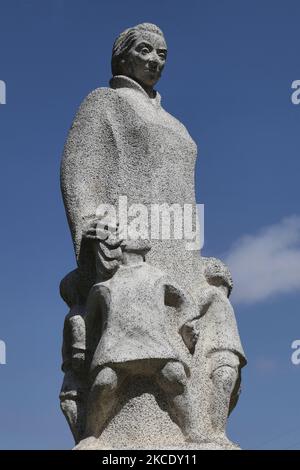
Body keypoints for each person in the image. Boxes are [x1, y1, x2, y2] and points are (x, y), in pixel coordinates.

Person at [83, 237, 200, 442]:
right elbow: (87, 322)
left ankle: (192, 432)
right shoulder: (104, 285)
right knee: (104, 383)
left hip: (156, 343)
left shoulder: (158, 276)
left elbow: (186, 302)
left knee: (175, 377)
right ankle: (91, 435)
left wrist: (186, 326)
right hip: (115, 347)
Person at [182, 257, 247, 446]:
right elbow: (191, 310)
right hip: (218, 350)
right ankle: (217, 433)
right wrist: (189, 328)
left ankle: (218, 430)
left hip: (233, 352)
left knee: (233, 390)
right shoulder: (210, 293)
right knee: (224, 380)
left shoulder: (223, 300)